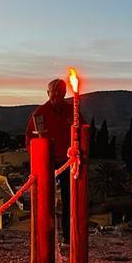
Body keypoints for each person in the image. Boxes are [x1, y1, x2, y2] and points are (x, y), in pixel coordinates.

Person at [25, 78, 83, 245]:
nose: (57, 94)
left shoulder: (72, 111)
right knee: (45, 200)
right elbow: (30, 140)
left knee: (69, 199)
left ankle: (68, 236)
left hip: (68, 162)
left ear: (65, 93)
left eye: (60, 91)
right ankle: (45, 236)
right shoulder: (39, 113)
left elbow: (82, 130)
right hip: (47, 164)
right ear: (48, 93)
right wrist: (39, 159)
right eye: (54, 91)